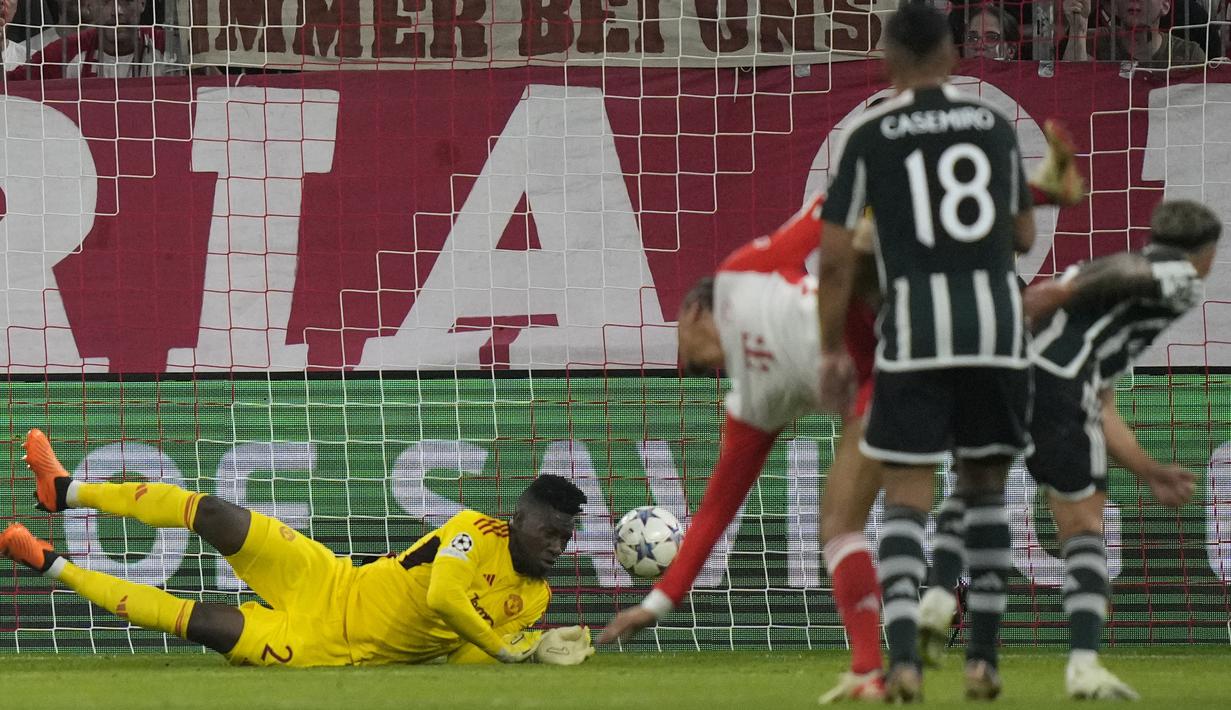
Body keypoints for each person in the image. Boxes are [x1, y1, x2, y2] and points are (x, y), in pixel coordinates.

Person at [815, 2, 1037, 701]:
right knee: (984, 495)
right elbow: (1025, 237)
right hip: (997, 331)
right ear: (952, 55)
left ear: (886, 57)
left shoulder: (869, 135)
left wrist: (829, 349)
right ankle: (983, 662)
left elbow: (833, 260)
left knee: (907, 500)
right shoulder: (993, 127)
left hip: (913, 334)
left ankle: (904, 660)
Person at [920, 199, 1220, 700]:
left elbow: (1101, 403)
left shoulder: (1112, 304)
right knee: (1082, 527)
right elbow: (1140, 270)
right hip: (1060, 385)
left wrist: (1147, 469)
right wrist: (1059, 290)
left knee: (978, 493)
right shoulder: (1180, 275)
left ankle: (954, 623)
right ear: (1206, 252)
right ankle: (1083, 664)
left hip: (1011, 374)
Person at [596, 195, 889, 703]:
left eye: (689, 358)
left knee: (856, 257)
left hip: (880, 319)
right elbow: (713, 514)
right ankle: (873, 670)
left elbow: (814, 221)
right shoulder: (751, 407)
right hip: (882, 387)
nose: (701, 369)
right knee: (842, 526)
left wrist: (859, 186)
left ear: (693, 313)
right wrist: (657, 605)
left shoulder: (739, 278)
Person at [1, 429, 596, 667]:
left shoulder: (533, 598)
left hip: (328, 648)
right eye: (549, 530)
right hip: (330, 581)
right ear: (517, 518)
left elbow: (469, 661)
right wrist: (506, 648)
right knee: (212, 512)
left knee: (198, 621)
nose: (557, 546)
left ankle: (52, 564)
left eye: (565, 538)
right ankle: (67, 489)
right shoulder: (471, 529)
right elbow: (444, 596)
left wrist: (533, 647)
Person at [6, 0, 178, 80]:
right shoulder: (66, 51)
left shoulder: (168, 45)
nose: (117, 11)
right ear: (91, 5)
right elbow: (9, 85)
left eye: (127, 1)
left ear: (142, 3)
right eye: (106, 2)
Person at [1062, 0, 1206, 67]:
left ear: (1165, 5)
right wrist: (1078, 29)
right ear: (1114, 6)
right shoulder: (1092, 42)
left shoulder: (1189, 56)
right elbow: (1069, 90)